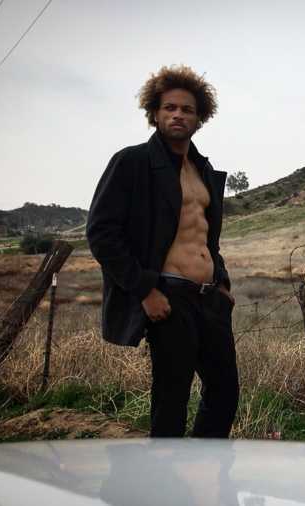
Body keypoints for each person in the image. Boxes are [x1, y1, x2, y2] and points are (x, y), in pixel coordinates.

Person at [87, 65, 239, 438]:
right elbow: (102, 233)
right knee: (172, 400)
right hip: (168, 298)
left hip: (209, 299)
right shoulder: (132, 163)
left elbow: (205, 237)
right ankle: (165, 484)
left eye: (187, 109)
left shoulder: (203, 170)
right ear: (154, 113)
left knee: (225, 393)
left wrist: (221, 282)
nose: (177, 115)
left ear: (200, 118)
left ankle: (203, 479)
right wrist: (144, 289)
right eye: (169, 107)